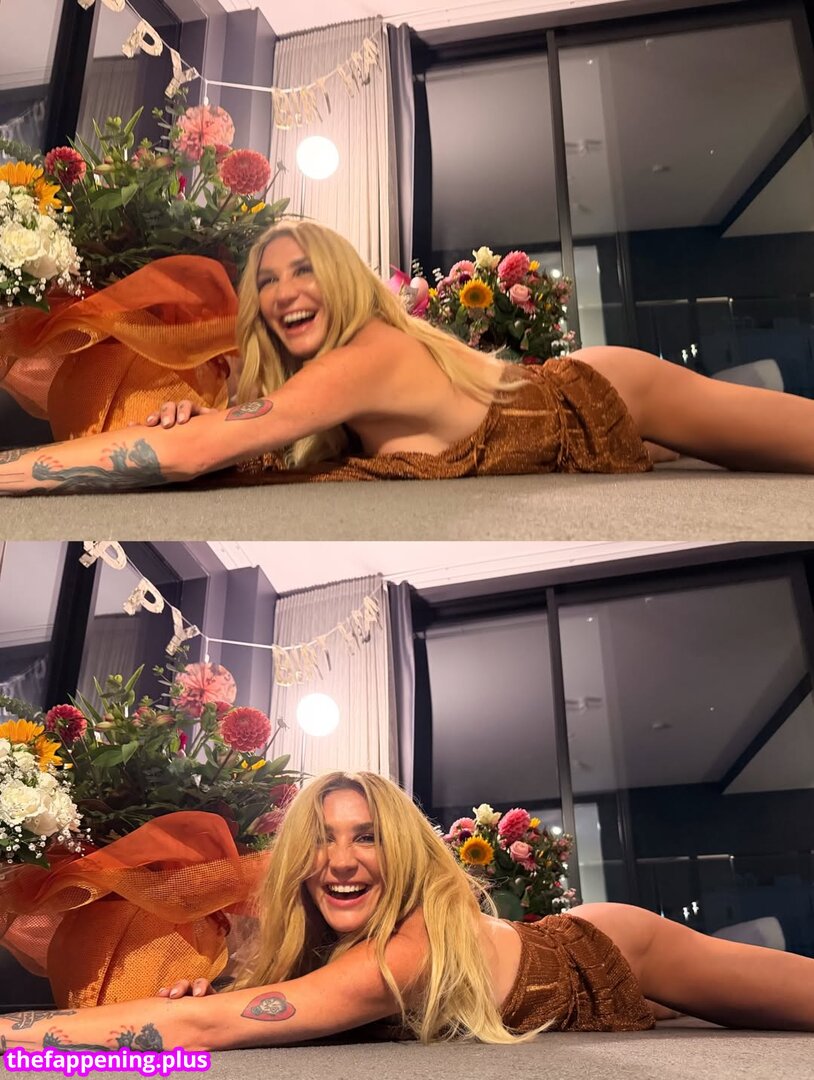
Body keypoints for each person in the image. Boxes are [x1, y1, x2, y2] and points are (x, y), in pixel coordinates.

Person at [4, 770, 814, 1058]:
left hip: (605, 947)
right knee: (684, 1016)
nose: (341, 860)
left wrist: (16, 1038)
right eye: (321, 841)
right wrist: (215, 989)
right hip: (554, 985)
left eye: (366, 837)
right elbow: (229, 1010)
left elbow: (203, 1033)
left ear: (402, 849)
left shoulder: (409, 949)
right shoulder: (333, 947)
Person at [1, 220, 814, 495]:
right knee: (692, 456)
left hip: (599, 394)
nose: (284, 293)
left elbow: (189, 455)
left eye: (303, 270)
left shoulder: (370, 352)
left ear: (345, 281)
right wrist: (191, 421)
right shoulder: (320, 391)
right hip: (558, 447)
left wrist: (7, 473)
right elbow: (211, 445)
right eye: (266, 284)